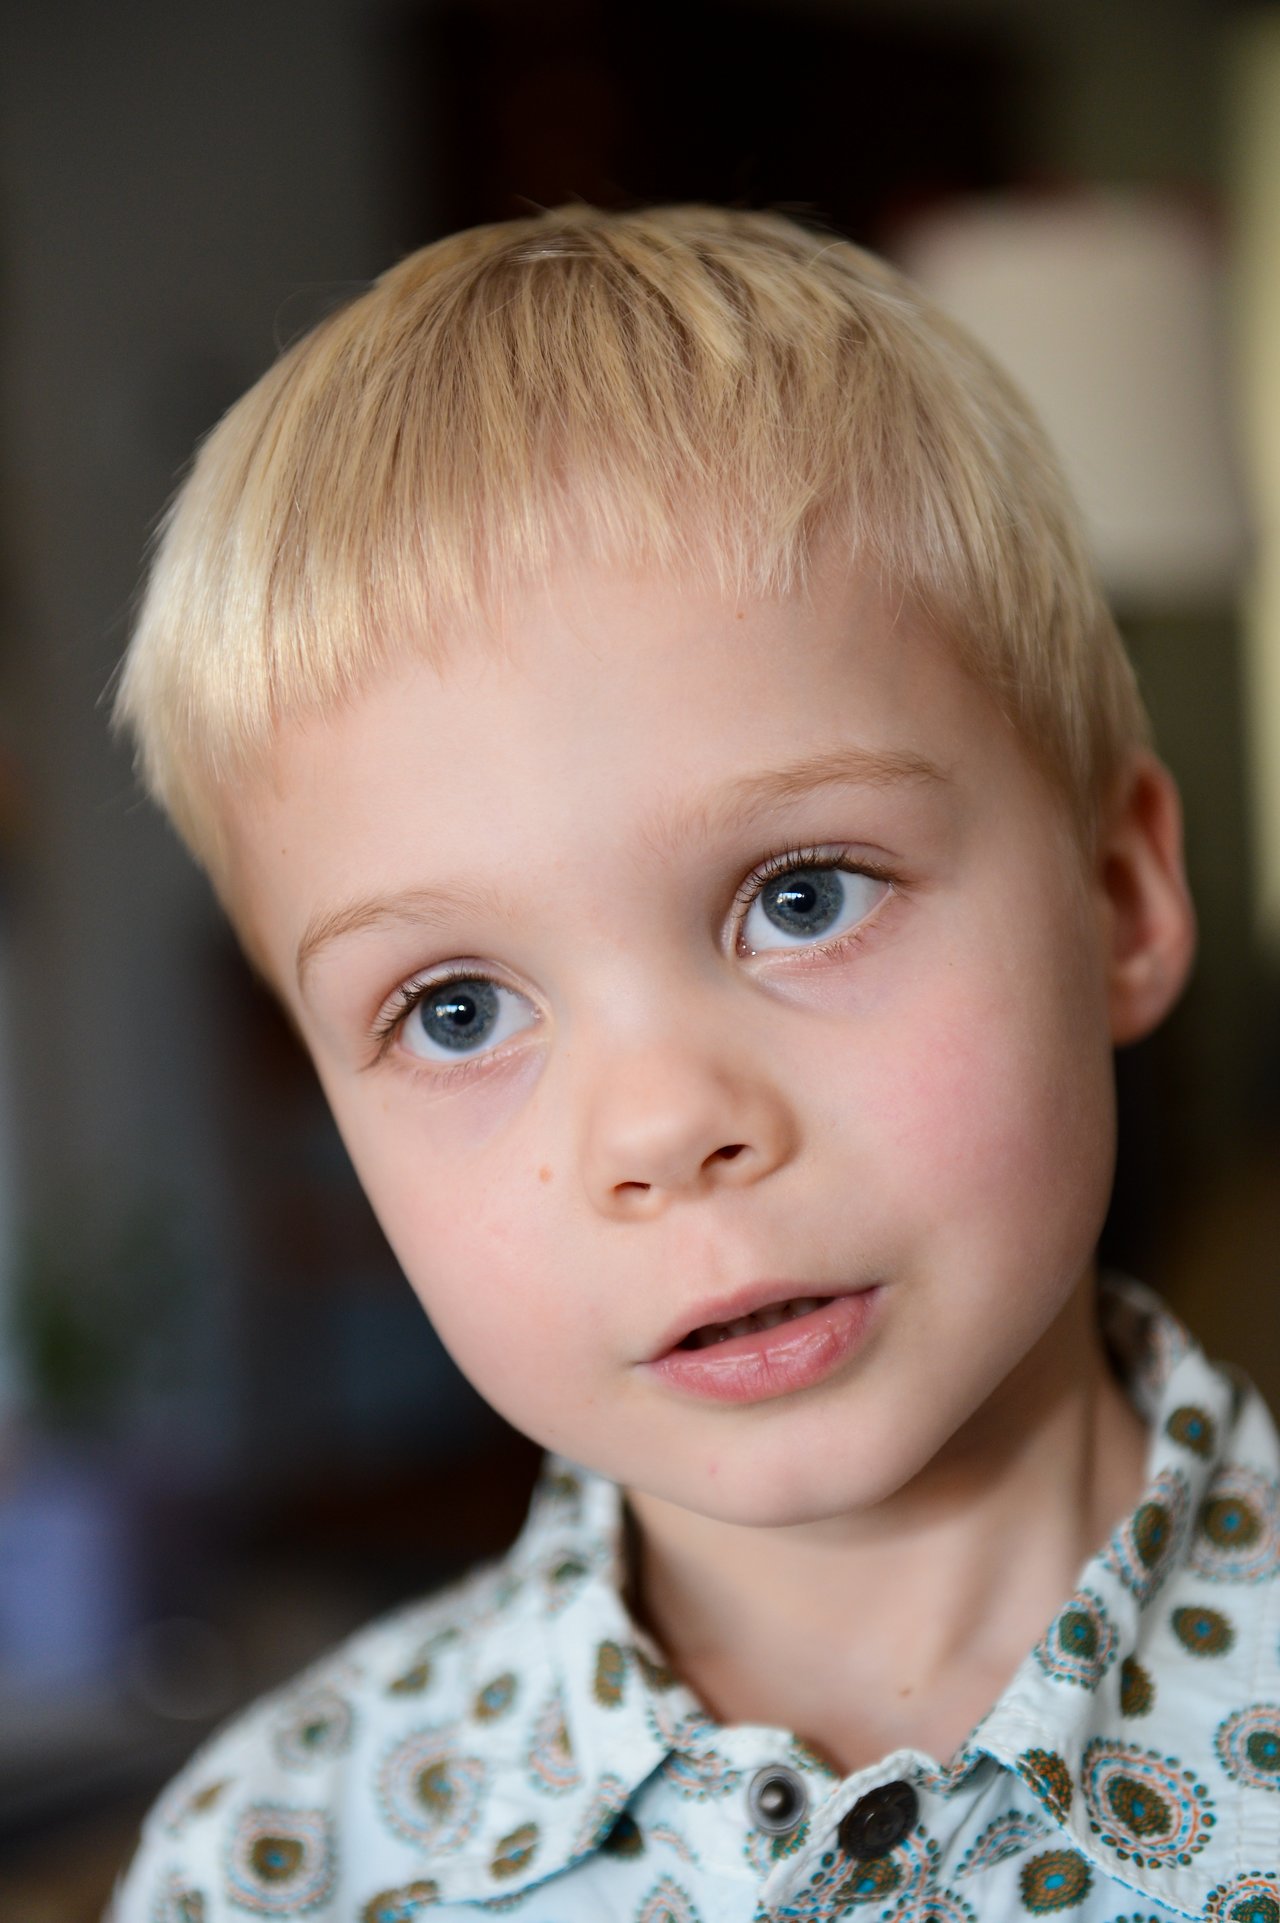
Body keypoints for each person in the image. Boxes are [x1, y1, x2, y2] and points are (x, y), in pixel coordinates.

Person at [106, 205, 1278, 1922]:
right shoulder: (275, 1860)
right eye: (454, 1011)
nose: (661, 1126)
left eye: (800, 900)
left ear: (1118, 897)